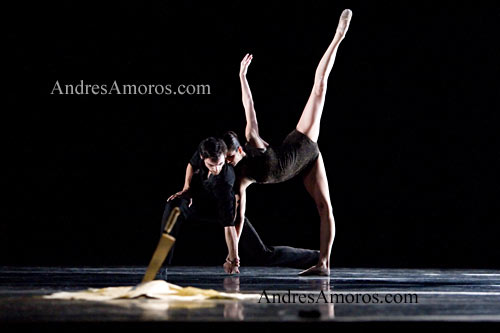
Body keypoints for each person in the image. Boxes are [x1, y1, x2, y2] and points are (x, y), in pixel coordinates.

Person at [222, 9, 353, 276]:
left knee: (319, 88)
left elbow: (250, 105)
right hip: (301, 169)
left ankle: (338, 36)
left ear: (238, 150)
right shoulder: (240, 178)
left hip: (302, 145)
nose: (228, 163)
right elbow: (238, 219)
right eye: (225, 161)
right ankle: (323, 267)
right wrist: (232, 256)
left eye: (230, 157)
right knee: (323, 206)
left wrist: (242, 77)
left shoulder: (252, 140)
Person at [162, 137, 319, 274]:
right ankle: (161, 264)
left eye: (220, 164)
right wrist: (186, 188)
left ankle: (316, 256)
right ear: (203, 157)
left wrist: (233, 257)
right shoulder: (208, 149)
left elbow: (231, 225)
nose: (216, 169)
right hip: (199, 204)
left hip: (225, 211)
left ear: (226, 158)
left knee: (262, 254)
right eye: (211, 165)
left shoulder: (224, 182)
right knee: (174, 205)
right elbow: (191, 164)